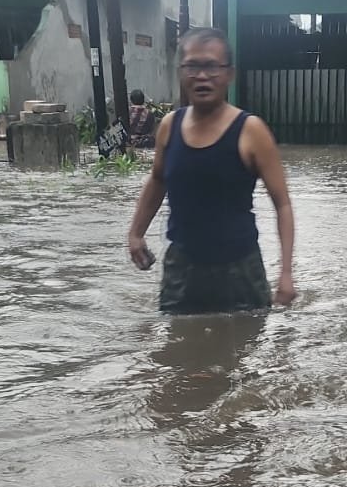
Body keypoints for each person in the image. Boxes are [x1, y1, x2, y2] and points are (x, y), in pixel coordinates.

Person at [126, 28, 296, 313]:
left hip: (239, 269)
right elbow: (157, 181)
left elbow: (283, 203)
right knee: (176, 349)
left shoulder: (251, 131)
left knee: (244, 349)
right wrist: (135, 233)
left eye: (211, 67)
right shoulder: (169, 126)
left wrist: (287, 273)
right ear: (181, 72)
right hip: (181, 268)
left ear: (229, 74)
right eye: (192, 66)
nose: (202, 76)